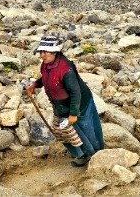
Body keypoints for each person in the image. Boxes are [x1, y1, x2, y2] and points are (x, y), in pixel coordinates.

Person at [26, 35, 104, 166]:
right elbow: (47, 78)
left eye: (45, 52)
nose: (42, 55)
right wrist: (35, 84)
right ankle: (80, 154)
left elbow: (75, 92)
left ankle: (96, 155)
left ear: (54, 52)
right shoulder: (46, 64)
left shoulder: (65, 69)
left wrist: (73, 114)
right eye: (41, 52)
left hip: (79, 105)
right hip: (60, 106)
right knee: (62, 130)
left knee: (86, 130)